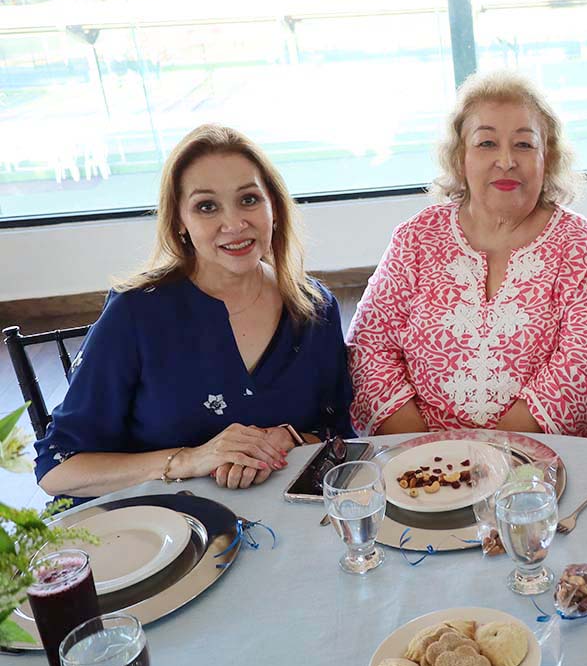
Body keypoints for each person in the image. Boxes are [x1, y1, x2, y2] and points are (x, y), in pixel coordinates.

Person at [35, 124, 354, 498]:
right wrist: (190, 460)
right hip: (162, 531)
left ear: (275, 209)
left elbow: (339, 432)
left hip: (288, 522)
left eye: (249, 199)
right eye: (207, 206)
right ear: (180, 223)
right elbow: (57, 468)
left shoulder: (314, 308)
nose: (234, 224)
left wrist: (289, 438)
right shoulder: (136, 313)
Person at [347, 70, 587, 439]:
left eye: (525, 145)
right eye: (486, 144)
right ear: (460, 158)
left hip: (553, 459)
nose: (507, 160)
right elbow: (369, 346)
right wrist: (424, 450)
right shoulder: (416, 238)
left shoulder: (577, 243)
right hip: (424, 464)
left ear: (549, 158)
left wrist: (492, 453)